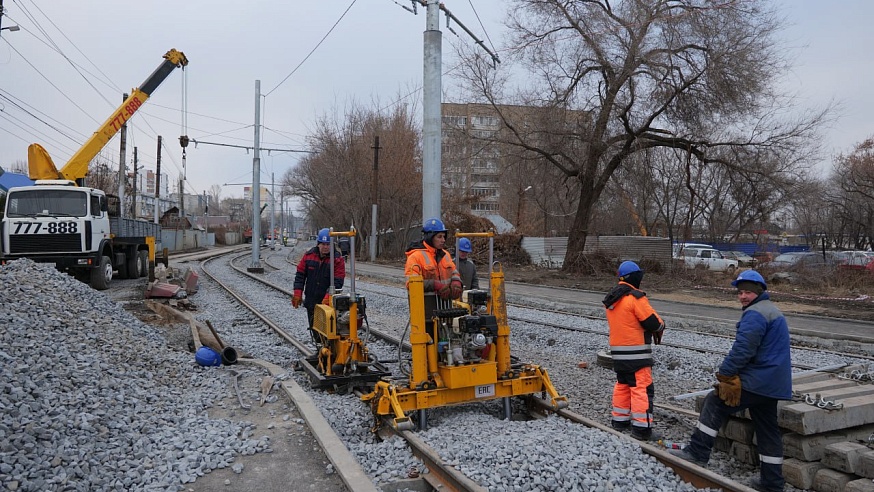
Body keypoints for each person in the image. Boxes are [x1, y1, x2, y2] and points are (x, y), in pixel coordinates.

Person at [669, 270, 790, 492]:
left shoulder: (755, 314)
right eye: (740, 292)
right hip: (773, 384)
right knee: (767, 430)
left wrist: (725, 374)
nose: (743, 297)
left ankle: (697, 452)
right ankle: (772, 483)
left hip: (758, 380)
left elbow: (743, 349)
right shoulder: (773, 311)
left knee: (714, 401)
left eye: (748, 293)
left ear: (759, 292)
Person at [602, 260, 665, 441]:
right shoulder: (635, 298)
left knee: (623, 385)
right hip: (637, 355)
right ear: (635, 277)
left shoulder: (612, 299)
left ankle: (619, 421)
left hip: (618, 354)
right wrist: (661, 326)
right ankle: (642, 428)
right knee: (641, 389)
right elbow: (653, 322)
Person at [292, 228, 345, 342]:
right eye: (323, 244)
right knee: (314, 328)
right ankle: (320, 352)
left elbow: (338, 281)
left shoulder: (337, 260)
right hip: (312, 300)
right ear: (318, 244)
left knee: (328, 330)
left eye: (328, 244)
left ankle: (330, 353)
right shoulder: (308, 256)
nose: (325, 247)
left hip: (327, 303)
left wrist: (328, 297)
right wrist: (297, 293)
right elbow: (300, 275)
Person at [404, 217, 463, 301]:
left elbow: (454, 272)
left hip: (445, 305)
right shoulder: (415, 257)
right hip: (424, 305)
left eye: (444, 237)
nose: (443, 240)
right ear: (430, 237)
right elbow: (411, 283)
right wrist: (435, 285)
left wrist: (456, 282)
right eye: (439, 237)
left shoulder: (446, 254)